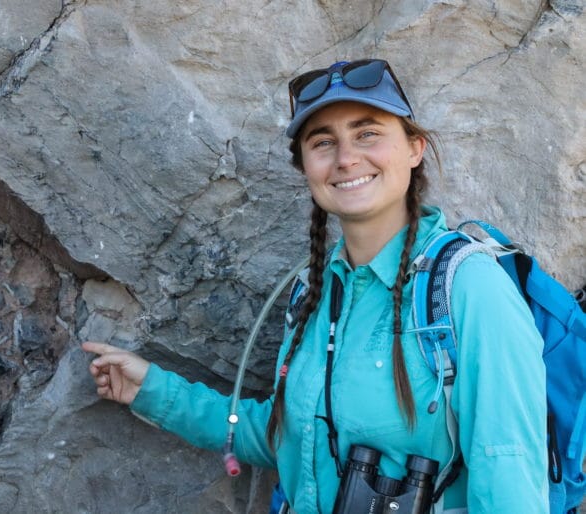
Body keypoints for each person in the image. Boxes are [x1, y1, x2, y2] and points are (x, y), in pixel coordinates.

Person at [82, 59, 548, 513]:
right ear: (305, 166)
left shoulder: (466, 287)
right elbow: (289, 438)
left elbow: (508, 473)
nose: (346, 159)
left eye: (367, 133)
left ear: (414, 148)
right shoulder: (316, 290)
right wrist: (154, 391)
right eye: (323, 142)